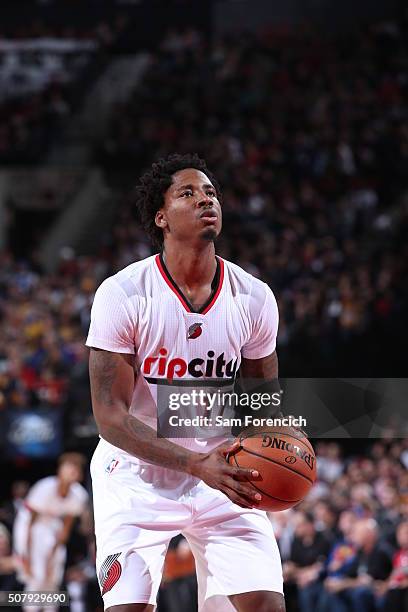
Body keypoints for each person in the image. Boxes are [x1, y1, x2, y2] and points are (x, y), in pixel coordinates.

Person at [87, 153, 285, 611]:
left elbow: (261, 406)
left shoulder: (253, 297)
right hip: (137, 476)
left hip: (223, 470)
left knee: (265, 606)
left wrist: (278, 455)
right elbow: (110, 417)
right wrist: (194, 464)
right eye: (188, 193)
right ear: (161, 217)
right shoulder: (123, 294)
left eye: (211, 192)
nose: (205, 200)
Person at [13, 453, 89, 612]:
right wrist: (26, 556)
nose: (71, 470)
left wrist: (52, 557)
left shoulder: (79, 495)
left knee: (53, 577)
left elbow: (65, 531)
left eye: (75, 467)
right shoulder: (44, 487)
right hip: (29, 525)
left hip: (53, 527)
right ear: (60, 469)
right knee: (37, 576)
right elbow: (29, 525)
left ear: (80, 473)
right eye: (68, 466)